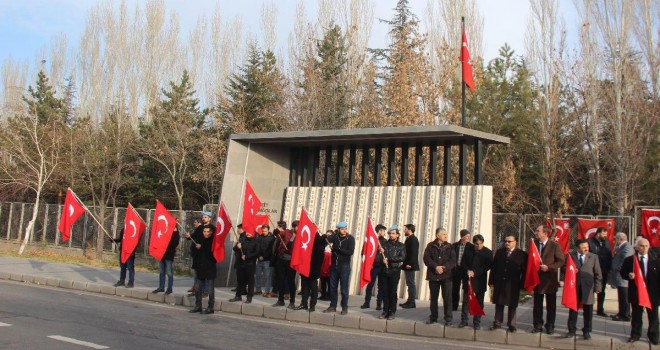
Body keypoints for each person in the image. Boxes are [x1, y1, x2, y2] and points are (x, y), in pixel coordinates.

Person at [621, 237, 659, 345]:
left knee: (653, 316)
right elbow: (622, 273)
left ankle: (653, 335)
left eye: (646, 246)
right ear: (637, 247)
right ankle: (635, 335)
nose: (645, 248)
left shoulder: (655, 259)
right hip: (637, 292)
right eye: (642, 246)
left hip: (652, 293)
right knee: (636, 316)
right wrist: (628, 275)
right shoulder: (630, 260)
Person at [531, 225, 566, 335]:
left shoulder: (554, 246)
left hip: (549, 280)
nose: (536, 232)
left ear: (545, 233)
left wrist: (549, 267)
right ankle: (537, 325)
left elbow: (561, 261)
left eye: (538, 231)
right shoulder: (534, 244)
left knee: (551, 305)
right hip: (537, 279)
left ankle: (550, 326)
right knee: (537, 305)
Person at [489, 234, 527, 333]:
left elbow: (524, 271)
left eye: (509, 241)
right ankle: (497, 322)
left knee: (512, 304)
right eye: (505, 241)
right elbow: (494, 268)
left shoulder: (521, 254)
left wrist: (523, 284)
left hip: (513, 283)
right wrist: (491, 281)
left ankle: (512, 324)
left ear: (515, 242)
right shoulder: (500, 252)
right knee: (499, 303)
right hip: (500, 281)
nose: (507, 243)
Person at [566, 239, 602, 340]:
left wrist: (598, 287)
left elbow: (598, 273)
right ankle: (571, 330)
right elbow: (565, 269)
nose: (586, 249)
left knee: (588, 311)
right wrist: (571, 269)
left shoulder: (593, 257)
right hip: (575, 287)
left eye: (587, 247)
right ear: (577, 248)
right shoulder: (571, 256)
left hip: (588, 287)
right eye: (583, 247)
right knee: (573, 309)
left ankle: (587, 331)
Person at [423, 228, 456, 326]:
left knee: (447, 298)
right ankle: (433, 317)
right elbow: (426, 258)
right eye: (444, 234)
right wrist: (435, 267)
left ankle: (448, 318)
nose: (446, 236)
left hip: (446, 276)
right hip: (434, 275)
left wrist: (444, 268)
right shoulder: (430, 246)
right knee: (433, 298)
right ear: (438, 236)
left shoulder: (449, 246)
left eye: (446, 234)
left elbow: (453, 260)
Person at [324, 221, 355, 315]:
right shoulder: (335, 236)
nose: (344, 230)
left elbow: (350, 252)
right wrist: (326, 237)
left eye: (345, 228)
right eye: (342, 229)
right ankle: (333, 306)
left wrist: (337, 249)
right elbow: (327, 240)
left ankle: (344, 307)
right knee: (333, 287)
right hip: (334, 266)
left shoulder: (350, 238)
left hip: (344, 267)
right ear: (338, 230)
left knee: (344, 289)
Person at [464, 234, 492, 330]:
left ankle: (477, 322)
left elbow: (487, 266)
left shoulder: (488, 252)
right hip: (468, 279)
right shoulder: (468, 250)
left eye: (480, 244)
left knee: (479, 302)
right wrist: (468, 270)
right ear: (473, 243)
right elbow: (463, 262)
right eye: (476, 244)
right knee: (466, 300)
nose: (479, 246)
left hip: (480, 279)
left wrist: (475, 272)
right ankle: (464, 320)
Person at [295, 230, 327, 312]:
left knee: (313, 287)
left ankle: (312, 305)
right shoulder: (305, 239)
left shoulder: (319, 240)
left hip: (314, 268)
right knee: (304, 287)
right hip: (304, 267)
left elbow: (320, 257)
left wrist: (324, 238)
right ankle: (303, 304)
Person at [379, 225, 406, 320]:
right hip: (384, 271)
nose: (391, 235)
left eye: (393, 233)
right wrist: (381, 254)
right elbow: (380, 257)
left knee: (392, 292)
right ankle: (385, 310)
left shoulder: (401, 246)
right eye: (390, 233)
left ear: (398, 235)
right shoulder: (384, 245)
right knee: (385, 292)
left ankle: (392, 311)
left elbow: (402, 258)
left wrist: (389, 259)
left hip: (394, 271)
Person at [185, 212, 215, 297]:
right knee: (198, 274)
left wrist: (202, 246)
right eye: (203, 217)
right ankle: (197, 291)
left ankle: (205, 291)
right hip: (198, 255)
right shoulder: (200, 228)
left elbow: (211, 243)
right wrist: (188, 236)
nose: (203, 218)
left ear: (209, 218)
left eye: (205, 217)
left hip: (208, 256)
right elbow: (193, 236)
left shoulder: (213, 228)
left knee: (206, 275)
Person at [228, 225, 260, 303]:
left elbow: (257, 252)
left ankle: (249, 297)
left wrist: (247, 256)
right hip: (241, 264)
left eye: (250, 232)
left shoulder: (256, 241)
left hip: (250, 264)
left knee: (250, 281)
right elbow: (234, 249)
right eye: (247, 232)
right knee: (240, 280)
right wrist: (237, 247)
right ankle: (238, 296)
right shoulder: (242, 239)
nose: (248, 234)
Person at [189, 226, 217, 314]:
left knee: (210, 289)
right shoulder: (201, 240)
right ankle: (198, 306)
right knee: (197, 288)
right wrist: (196, 247)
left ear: (211, 232)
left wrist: (201, 247)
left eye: (208, 231)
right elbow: (194, 252)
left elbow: (212, 254)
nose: (206, 233)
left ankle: (210, 307)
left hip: (209, 268)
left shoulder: (214, 242)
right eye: (204, 231)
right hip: (200, 268)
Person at [361, 224, 387, 310]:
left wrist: (384, 250)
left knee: (381, 286)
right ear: (379, 231)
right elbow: (364, 252)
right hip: (373, 266)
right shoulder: (371, 240)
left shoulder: (385, 242)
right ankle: (366, 302)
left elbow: (388, 253)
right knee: (370, 285)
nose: (384, 233)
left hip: (382, 266)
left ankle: (379, 304)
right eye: (383, 231)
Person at [588, 227, 612, 317]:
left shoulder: (606, 242)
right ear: (598, 233)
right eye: (603, 234)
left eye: (606, 234)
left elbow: (609, 254)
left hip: (604, 271)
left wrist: (609, 268)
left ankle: (600, 309)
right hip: (592, 270)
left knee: (601, 290)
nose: (605, 236)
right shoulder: (590, 242)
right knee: (590, 290)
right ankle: (588, 309)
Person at [610, 232, 634, 321]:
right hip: (619, 275)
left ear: (620, 239)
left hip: (623, 276)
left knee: (624, 296)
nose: (615, 241)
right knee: (621, 295)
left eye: (616, 239)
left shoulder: (627, 247)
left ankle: (625, 315)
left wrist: (618, 269)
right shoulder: (622, 247)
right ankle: (621, 312)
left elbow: (625, 261)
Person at [273, 220, 297, 309]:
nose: (296, 228)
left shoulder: (301, 236)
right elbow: (278, 234)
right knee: (281, 280)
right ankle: (280, 300)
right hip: (282, 259)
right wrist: (276, 231)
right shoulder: (287, 232)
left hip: (292, 261)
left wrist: (290, 251)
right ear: (293, 227)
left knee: (291, 281)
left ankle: (292, 301)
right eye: (295, 226)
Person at [152, 226, 180, 295]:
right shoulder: (165, 232)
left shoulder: (175, 234)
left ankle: (169, 288)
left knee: (169, 273)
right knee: (162, 272)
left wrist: (175, 231)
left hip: (169, 255)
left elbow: (175, 243)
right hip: (162, 254)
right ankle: (161, 287)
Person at [452, 229, 474, 312]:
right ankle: (454, 305)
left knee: (466, 288)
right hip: (456, 269)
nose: (468, 238)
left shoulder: (471, 247)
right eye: (466, 236)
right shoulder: (455, 246)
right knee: (455, 288)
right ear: (462, 237)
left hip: (466, 270)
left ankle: (466, 306)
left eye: (469, 236)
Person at [400, 224, 419, 309]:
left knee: (411, 283)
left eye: (406, 229)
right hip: (407, 264)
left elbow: (414, 254)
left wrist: (410, 264)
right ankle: (409, 301)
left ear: (410, 230)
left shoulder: (413, 240)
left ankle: (412, 302)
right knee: (409, 283)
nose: (404, 231)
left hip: (410, 265)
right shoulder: (409, 239)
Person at [255, 225, 275, 297]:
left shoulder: (272, 238)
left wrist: (263, 256)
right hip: (259, 260)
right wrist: (259, 256)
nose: (264, 232)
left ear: (268, 230)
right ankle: (258, 290)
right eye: (263, 231)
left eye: (265, 231)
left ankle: (267, 291)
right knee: (258, 275)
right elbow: (257, 247)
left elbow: (271, 250)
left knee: (267, 276)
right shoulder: (260, 237)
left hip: (267, 260)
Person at [318, 230, 333, 301]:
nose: (328, 236)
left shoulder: (333, 243)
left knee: (329, 280)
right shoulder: (323, 243)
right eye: (327, 235)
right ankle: (323, 294)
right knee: (322, 279)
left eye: (330, 235)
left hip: (329, 261)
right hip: (323, 260)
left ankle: (329, 295)